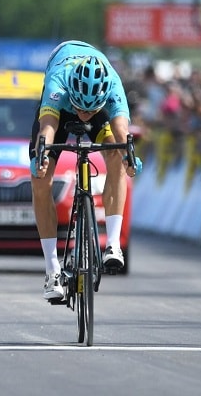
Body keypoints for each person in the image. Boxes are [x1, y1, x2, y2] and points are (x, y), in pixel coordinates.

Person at [29, 40, 140, 301]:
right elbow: (47, 128)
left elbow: (123, 133)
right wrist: (41, 156)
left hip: (99, 101)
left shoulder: (112, 86)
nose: (84, 115)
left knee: (115, 152)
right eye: (81, 109)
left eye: (90, 110)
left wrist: (130, 159)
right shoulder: (59, 82)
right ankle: (51, 270)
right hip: (60, 110)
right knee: (41, 178)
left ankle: (113, 244)